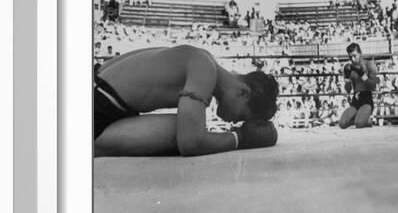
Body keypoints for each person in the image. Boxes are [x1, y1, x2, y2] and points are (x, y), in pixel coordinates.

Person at [94, 44, 279, 157]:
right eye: (242, 116)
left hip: (100, 98)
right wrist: (241, 138)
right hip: (97, 107)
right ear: (243, 93)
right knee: (185, 129)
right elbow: (190, 143)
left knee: (188, 125)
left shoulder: (203, 58)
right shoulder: (205, 68)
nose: (235, 122)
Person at [339, 42, 379, 129]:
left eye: (354, 56)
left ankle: (367, 121)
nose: (352, 59)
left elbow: (373, 86)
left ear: (360, 53)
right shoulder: (349, 67)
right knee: (342, 124)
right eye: (350, 57)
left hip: (367, 101)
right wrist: (347, 78)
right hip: (355, 102)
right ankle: (359, 117)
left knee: (359, 124)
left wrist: (362, 74)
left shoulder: (369, 65)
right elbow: (348, 90)